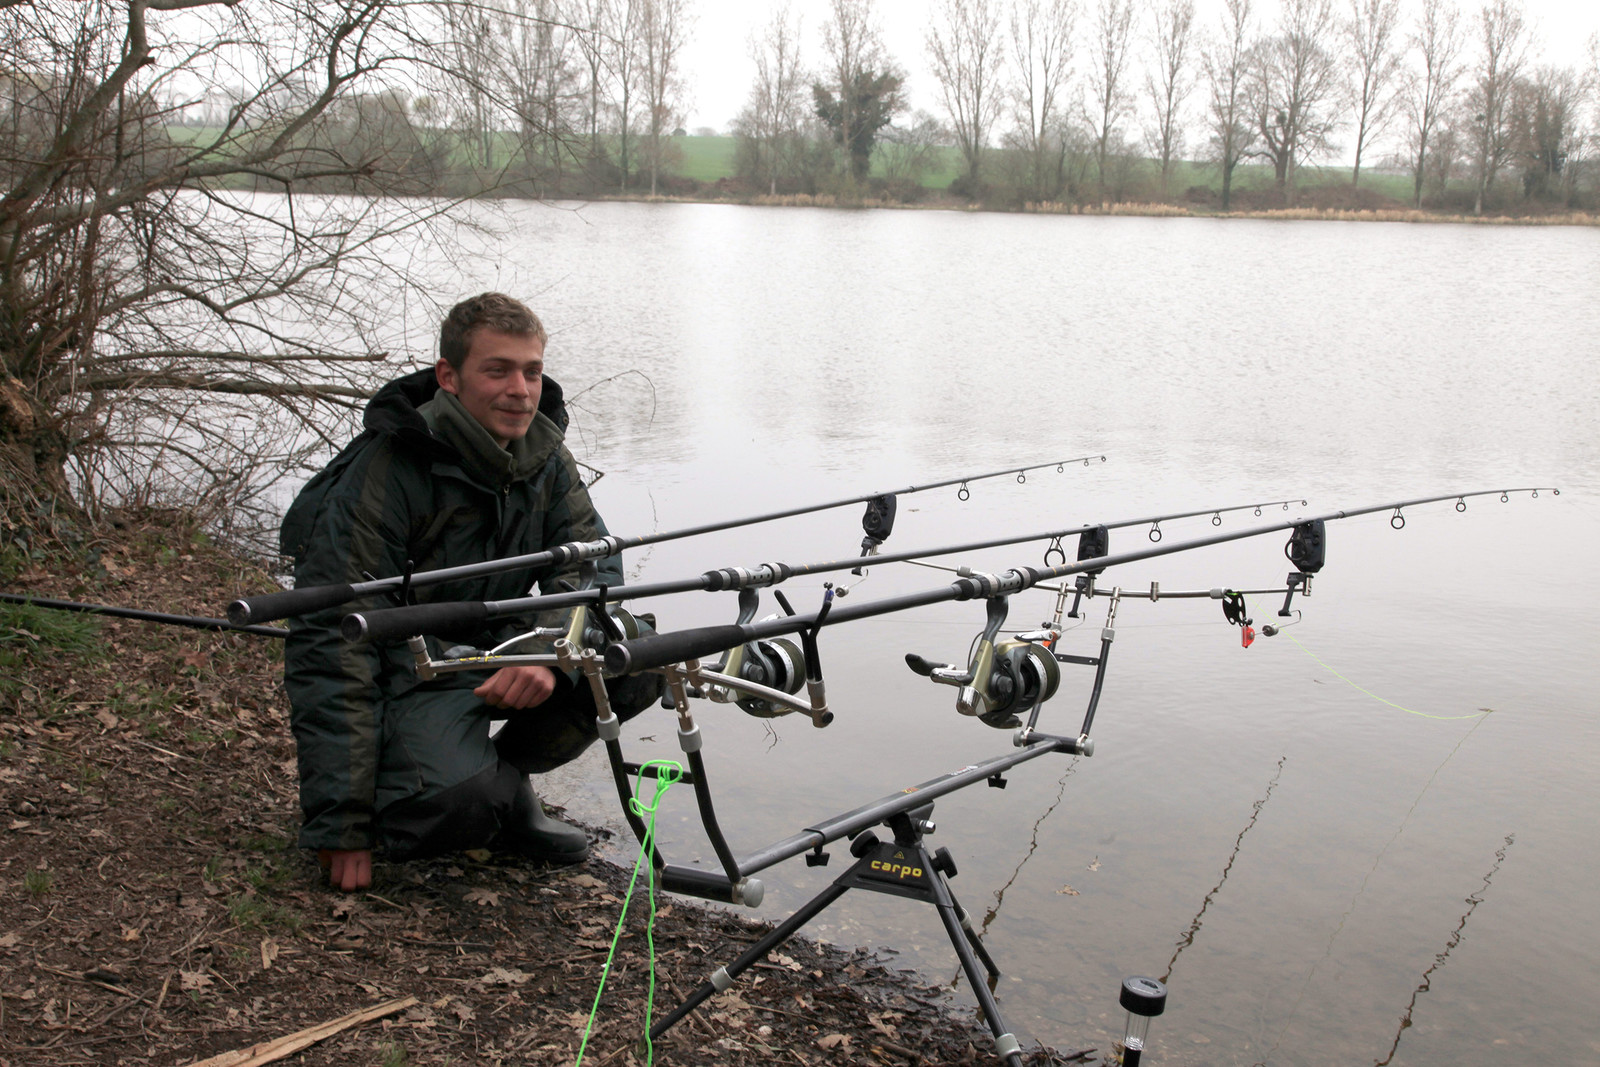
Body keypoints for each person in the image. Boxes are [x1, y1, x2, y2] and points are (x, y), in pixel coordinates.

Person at [280, 293, 660, 891]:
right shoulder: (385, 469)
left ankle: (510, 781)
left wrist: (547, 653)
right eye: (498, 370)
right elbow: (332, 646)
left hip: (497, 650)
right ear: (448, 378)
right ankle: (456, 791)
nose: (521, 390)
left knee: (635, 657)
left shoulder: (544, 454)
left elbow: (592, 571)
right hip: (406, 671)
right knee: (458, 806)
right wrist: (341, 825)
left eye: (532, 371)